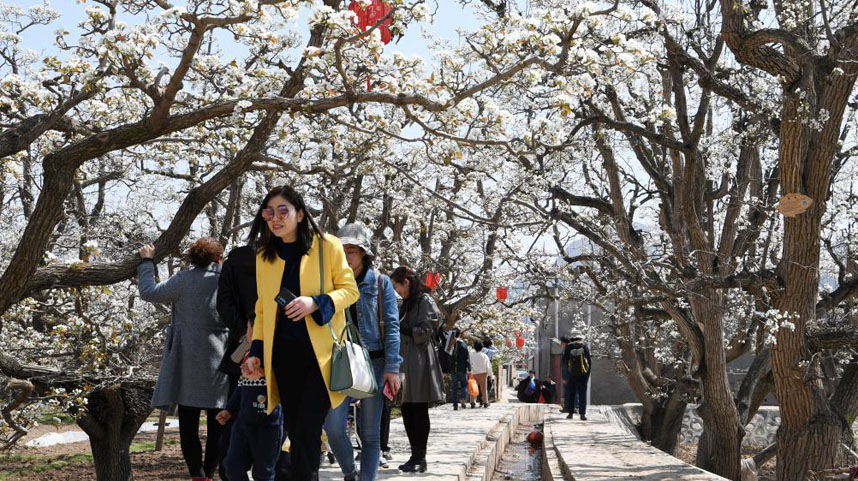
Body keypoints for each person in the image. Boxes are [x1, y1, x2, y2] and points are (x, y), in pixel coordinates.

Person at [243, 185, 360, 480]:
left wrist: (315, 302)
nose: (275, 218)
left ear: (301, 214)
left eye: (283, 211)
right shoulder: (263, 257)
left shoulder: (327, 245)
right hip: (283, 358)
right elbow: (262, 310)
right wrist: (256, 352)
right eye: (269, 213)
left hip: (322, 359)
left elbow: (350, 290)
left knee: (307, 430)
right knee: (296, 433)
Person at [137, 238, 229, 481]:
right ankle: (209, 474)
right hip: (220, 362)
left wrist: (147, 261)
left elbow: (148, 292)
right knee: (218, 421)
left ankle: (196, 476)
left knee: (188, 422)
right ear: (219, 258)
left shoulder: (183, 279)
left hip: (186, 361)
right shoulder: (228, 280)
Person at [323, 222, 402, 481]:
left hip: (374, 363)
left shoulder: (381, 283)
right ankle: (349, 472)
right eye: (341, 250)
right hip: (339, 362)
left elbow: (391, 326)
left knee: (369, 434)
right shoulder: (329, 283)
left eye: (352, 251)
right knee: (333, 427)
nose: (346, 257)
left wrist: (392, 367)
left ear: (364, 254)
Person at [216, 225, 263, 481]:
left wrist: (242, 332)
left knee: (235, 412)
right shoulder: (292, 259)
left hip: (243, 346)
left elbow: (222, 301)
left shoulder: (236, 257)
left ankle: (231, 472)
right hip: (279, 348)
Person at [390, 266, 446, 473]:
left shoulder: (425, 301)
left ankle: (420, 457)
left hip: (420, 360)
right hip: (405, 360)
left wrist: (403, 328)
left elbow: (426, 330)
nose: (398, 292)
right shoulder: (405, 304)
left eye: (398, 287)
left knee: (418, 409)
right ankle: (414, 455)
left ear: (406, 282)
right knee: (406, 408)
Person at [217, 349, 283, 481]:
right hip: (242, 424)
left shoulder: (278, 352)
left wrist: (266, 373)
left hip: (269, 427)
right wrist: (229, 409)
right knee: (232, 467)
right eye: (250, 328)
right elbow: (240, 387)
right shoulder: (248, 356)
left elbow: (289, 382)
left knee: (264, 473)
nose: (252, 334)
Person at [563, 332, 591, 420]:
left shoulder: (569, 347)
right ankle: (582, 414)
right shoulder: (584, 346)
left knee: (572, 393)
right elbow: (589, 362)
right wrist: (587, 375)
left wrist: (565, 376)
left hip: (571, 375)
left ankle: (570, 413)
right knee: (582, 394)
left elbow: (565, 362)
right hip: (583, 375)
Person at [469, 341, 492, 408]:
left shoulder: (471, 355)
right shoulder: (484, 356)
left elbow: (470, 364)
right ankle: (485, 402)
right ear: (482, 348)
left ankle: (472, 402)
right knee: (484, 388)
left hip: (474, 373)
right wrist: (490, 374)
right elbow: (488, 366)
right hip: (483, 373)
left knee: (473, 388)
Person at [451, 334, 470, 410]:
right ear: (460, 335)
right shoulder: (464, 345)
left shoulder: (451, 345)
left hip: (453, 368)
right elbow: (467, 358)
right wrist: (469, 368)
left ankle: (455, 405)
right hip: (462, 368)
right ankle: (462, 398)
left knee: (454, 387)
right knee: (464, 385)